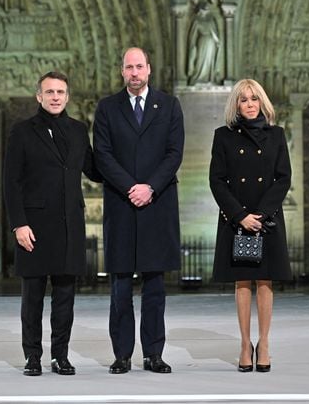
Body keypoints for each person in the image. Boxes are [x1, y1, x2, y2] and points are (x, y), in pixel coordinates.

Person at [93, 47, 185, 374]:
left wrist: (150, 187)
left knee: (155, 287)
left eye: (139, 67)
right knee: (120, 288)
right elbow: (102, 155)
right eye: (128, 67)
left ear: (149, 69)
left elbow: (174, 154)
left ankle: (153, 354)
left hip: (156, 204)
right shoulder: (106, 108)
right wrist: (131, 187)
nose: (134, 73)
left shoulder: (170, 105)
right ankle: (122, 355)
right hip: (121, 204)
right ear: (122, 71)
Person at [3, 71, 101, 377]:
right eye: (49, 92)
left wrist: (131, 163)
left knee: (65, 297)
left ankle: (61, 356)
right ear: (39, 96)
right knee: (32, 297)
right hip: (34, 226)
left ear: (67, 96)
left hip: (69, 223)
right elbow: (11, 182)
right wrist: (19, 224)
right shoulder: (22, 131)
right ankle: (32, 356)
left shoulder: (78, 130)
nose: (55, 96)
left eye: (60, 91)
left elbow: (95, 170)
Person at [209, 79, 292, 373]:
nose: (249, 104)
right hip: (237, 218)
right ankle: (245, 344)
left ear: (262, 102)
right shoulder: (223, 137)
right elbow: (217, 180)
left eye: (254, 98)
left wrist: (262, 213)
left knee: (265, 281)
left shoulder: (277, 135)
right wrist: (240, 215)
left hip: (266, 219)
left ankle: (264, 343)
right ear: (236, 105)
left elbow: (283, 178)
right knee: (243, 282)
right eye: (243, 99)